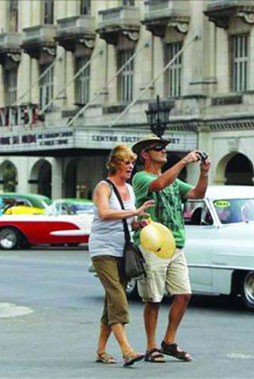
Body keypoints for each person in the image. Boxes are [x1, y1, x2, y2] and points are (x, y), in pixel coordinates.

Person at [131, 134, 210, 363]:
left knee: (183, 294)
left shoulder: (174, 180)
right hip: (152, 243)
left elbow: (197, 194)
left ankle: (168, 342)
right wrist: (184, 161)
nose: (164, 151)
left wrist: (204, 173)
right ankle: (150, 347)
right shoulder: (140, 177)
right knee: (153, 298)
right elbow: (158, 184)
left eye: (165, 147)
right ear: (145, 154)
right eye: (158, 148)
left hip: (175, 243)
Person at [89, 144, 154, 367]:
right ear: (116, 164)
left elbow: (126, 221)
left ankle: (100, 350)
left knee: (111, 303)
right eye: (127, 162)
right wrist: (134, 212)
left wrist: (138, 222)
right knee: (118, 297)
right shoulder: (103, 187)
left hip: (123, 250)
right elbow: (105, 213)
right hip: (103, 250)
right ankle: (127, 350)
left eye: (132, 163)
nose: (130, 167)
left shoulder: (130, 189)